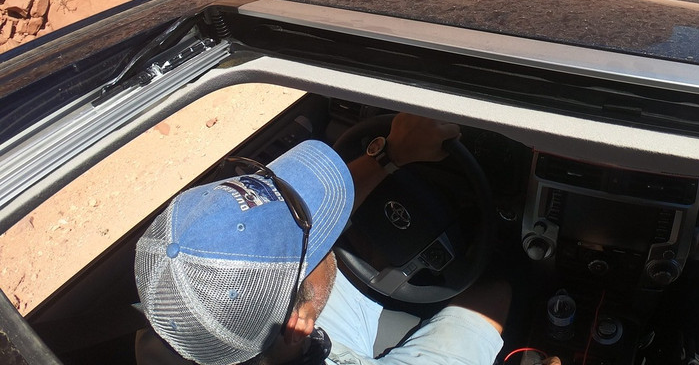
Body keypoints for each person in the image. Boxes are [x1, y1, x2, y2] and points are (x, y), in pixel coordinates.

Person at [133, 113, 508, 365]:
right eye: (314, 243)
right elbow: (489, 302)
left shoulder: (181, 323)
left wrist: (389, 155)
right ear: (298, 326)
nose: (326, 235)